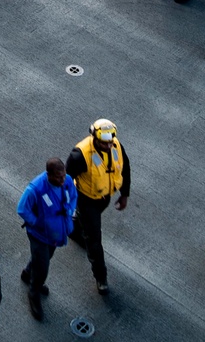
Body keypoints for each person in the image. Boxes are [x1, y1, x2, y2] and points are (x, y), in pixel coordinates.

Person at [66, 118, 130, 295]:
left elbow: (125, 168)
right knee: (94, 240)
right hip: (87, 200)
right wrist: (66, 202)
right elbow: (66, 180)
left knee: (86, 225)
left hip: (104, 197)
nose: (109, 146)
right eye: (104, 143)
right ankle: (101, 277)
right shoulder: (80, 154)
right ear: (94, 137)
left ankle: (76, 225)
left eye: (110, 142)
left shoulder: (115, 145)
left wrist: (124, 194)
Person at [16, 157, 78, 319]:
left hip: (56, 232)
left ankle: (28, 272)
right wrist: (38, 223)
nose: (62, 180)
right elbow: (22, 209)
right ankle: (33, 292)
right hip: (40, 234)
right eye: (58, 177)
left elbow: (73, 197)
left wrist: (70, 210)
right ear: (48, 174)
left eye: (64, 175)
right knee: (43, 267)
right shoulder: (35, 189)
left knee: (45, 257)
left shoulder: (67, 181)